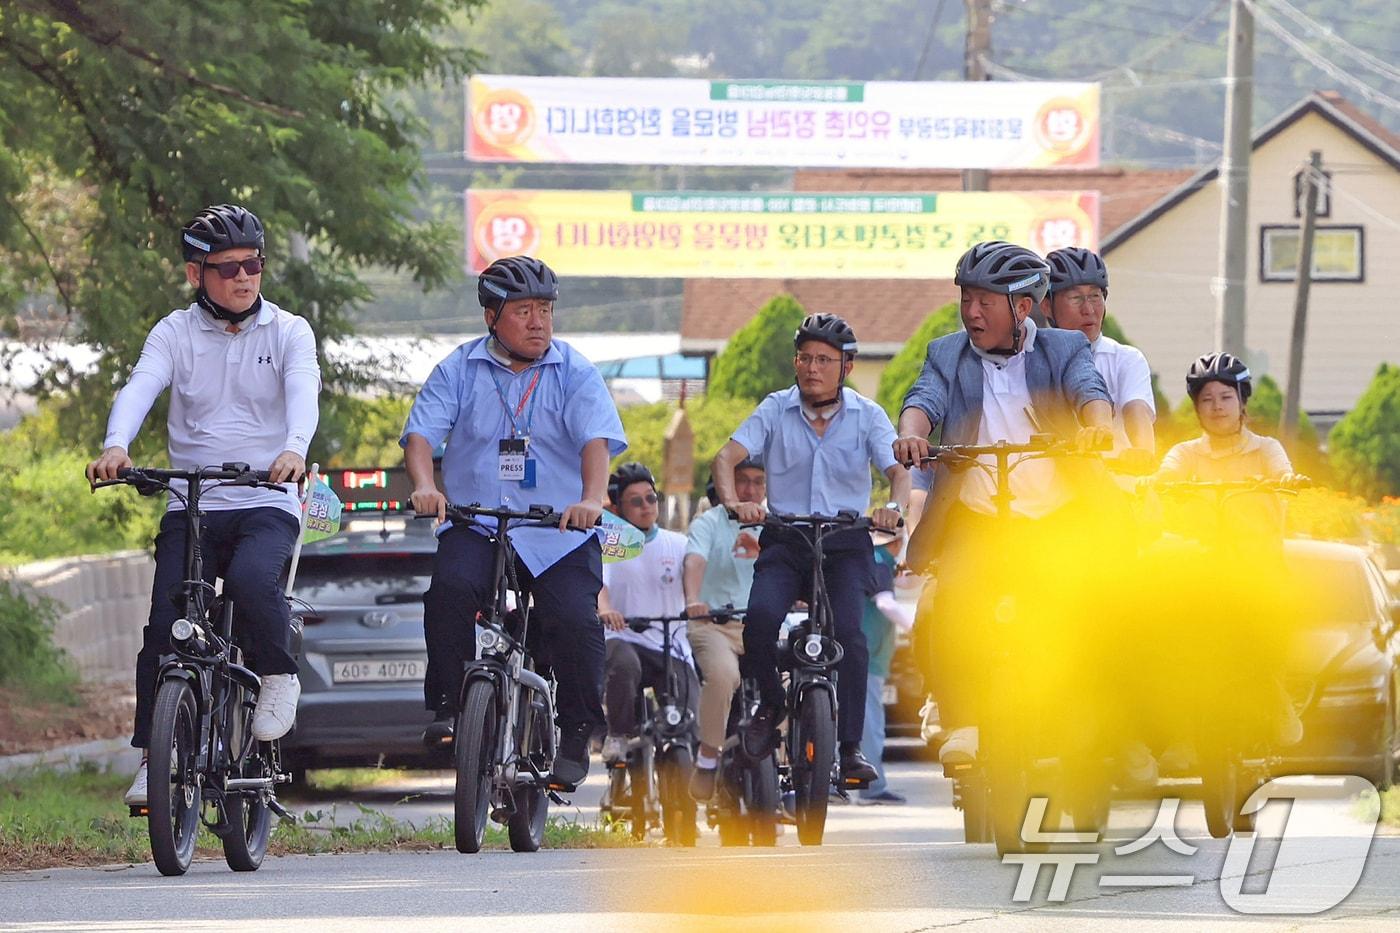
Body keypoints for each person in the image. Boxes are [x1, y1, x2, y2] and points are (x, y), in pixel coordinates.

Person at [86, 203, 320, 806]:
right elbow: (140, 385)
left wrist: (294, 449)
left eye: (253, 265)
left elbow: (303, 391)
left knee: (247, 580)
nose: (244, 277)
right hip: (192, 504)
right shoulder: (173, 331)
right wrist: (117, 446)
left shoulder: (289, 330)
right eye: (228, 268)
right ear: (197, 275)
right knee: (164, 624)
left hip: (267, 499)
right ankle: (152, 757)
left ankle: (278, 675)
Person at [401, 255, 626, 790]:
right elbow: (420, 437)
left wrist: (592, 499)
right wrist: (426, 487)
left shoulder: (574, 370)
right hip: (479, 525)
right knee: (450, 590)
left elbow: (596, 442)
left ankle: (575, 730)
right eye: (523, 311)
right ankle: (451, 708)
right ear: (491, 317)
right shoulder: (458, 368)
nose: (538, 322)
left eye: (545, 310)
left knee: (574, 620)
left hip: (558, 533)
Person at [893, 241, 1114, 767]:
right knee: (952, 608)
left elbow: (1089, 391)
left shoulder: (1063, 349)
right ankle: (963, 718)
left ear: (1021, 307)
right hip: (979, 516)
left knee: (1093, 610)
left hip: (1054, 516)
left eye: (984, 301)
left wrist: (1097, 429)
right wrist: (910, 435)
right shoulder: (947, 353)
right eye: (966, 299)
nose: (971, 311)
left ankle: (1084, 716)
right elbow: (923, 401)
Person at [714, 313, 909, 784]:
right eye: (805, 357)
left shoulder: (868, 415)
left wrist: (892, 508)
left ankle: (851, 747)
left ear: (846, 366)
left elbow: (899, 472)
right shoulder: (774, 409)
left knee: (850, 634)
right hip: (786, 536)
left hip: (845, 542)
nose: (812, 367)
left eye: (824, 359)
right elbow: (727, 457)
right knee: (759, 620)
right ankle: (770, 704)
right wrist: (736, 502)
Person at [596, 462, 700, 763]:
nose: (646, 506)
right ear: (618, 508)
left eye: (651, 498)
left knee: (691, 720)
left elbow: (696, 579)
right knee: (623, 665)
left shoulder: (680, 544)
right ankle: (618, 734)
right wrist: (606, 609)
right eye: (635, 501)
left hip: (671, 646)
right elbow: (600, 585)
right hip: (624, 638)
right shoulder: (611, 545)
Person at [682, 458, 766, 801]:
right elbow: (694, 560)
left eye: (758, 482)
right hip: (714, 625)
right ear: (724, 484)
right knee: (722, 675)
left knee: (793, 679)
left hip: (761, 625)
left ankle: (794, 763)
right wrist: (693, 600)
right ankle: (707, 757)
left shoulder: (776, 523)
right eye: (741, 480)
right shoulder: (708, 523)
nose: (749, 489)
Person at [1041, 247, 1156, 475]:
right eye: (1075, 298)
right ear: (1047, 305)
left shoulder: (1126, 359)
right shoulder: (1029, 359)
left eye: (1095, 296)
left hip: (1116, 490)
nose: (1089, 309)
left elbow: (1136, 409)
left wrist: (1143, 451)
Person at [858, 527, 915, 805]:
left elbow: (906, 582)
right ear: (898, 541)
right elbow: (886, 603)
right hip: (868, 657)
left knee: (859, 723)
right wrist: (916, 628)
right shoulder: (880, 562)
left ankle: (848, 787)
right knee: (871, 724)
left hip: (865, 656)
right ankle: (872, 788)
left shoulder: (876, 561)